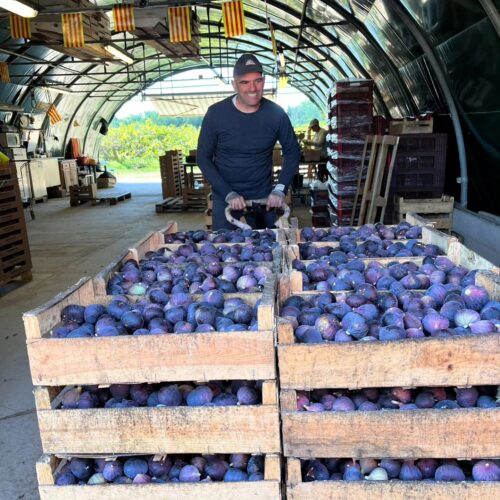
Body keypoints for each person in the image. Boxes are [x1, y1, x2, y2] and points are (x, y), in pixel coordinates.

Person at [197, 53, 301, 230]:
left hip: (263, 196)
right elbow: (203, 158)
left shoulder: (276, 114)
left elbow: (292, 152)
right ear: (234, 84)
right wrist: (228, 193)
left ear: (264, 81)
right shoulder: (216, 114)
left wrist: (280, 189)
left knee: (268, 243)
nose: (252, 88)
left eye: (257, 81)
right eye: (245, 82)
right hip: (226, 195)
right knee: (223, 243)